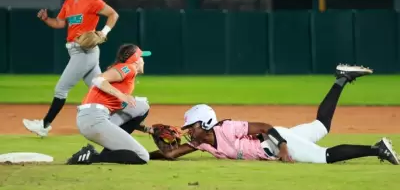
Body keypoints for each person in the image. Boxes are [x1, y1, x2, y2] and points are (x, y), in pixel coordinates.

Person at [149, 64, 400, 165]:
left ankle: (378, 149)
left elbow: (265, 126)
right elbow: (170, 154)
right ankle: (342, 78)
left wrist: (282, 147)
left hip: (276, 142)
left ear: (205, 123)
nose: (187, 130)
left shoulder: (226, 128)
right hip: (277, 142)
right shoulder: (200, 142)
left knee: (325, 156)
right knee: (321, 126)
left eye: (191, 125)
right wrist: (146, 147)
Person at [23, 0, 119, 137]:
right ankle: (121, 120)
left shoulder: (93, 1)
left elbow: (113, 14)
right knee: (99, 89)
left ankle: (44, 125)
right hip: (77, 51)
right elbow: (60, 23)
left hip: (84, 51)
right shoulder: (68, 3)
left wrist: (104, 32)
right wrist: (46, 19)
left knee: (61, 89)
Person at [66, 44, 153, 165]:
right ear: (136, 60)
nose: (143, 60)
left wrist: (148, 129)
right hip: (94, 119)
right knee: (142, 157)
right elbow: (98, 79)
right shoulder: (129, 68)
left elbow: (128, 117)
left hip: (93, 117)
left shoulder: (124, 72)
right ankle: (92, 157)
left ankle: (107, 152)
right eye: (142, 57)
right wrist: (121, 95)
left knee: (142, 105)